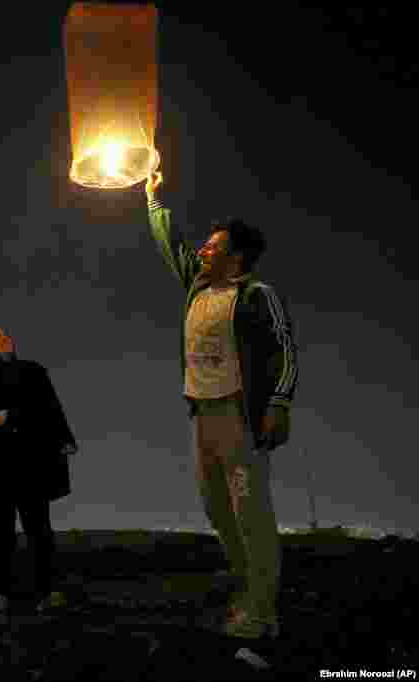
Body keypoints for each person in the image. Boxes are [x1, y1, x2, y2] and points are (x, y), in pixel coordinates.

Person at [144, 171, 297, 639]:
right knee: (216, 507)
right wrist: (152, 198)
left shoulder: (256, 295)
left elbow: (284, 349)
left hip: (239, 414)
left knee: (250, 510)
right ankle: (249, 589)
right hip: (203, 414)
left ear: (235, 257)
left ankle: (261, 612)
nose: (203, 250)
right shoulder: (198, 285)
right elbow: (174, 247)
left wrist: (279, 403)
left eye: (212, 246)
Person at [0, 327, 79, 618]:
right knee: (0, 533)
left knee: (40, 530)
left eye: (6, 334)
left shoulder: (34, 371)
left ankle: (47, 591)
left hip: (32, 463)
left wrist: (64, 438)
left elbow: (50, 407)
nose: (4, 338)